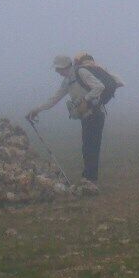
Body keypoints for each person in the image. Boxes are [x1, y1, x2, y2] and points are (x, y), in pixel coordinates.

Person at [26, 52, 123, 188]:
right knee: (87, 146)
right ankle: (88, 178)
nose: (57, 72)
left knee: (91, 146)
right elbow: (55, 98)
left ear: (64, 67)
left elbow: (99, 87)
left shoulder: (81, 72)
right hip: (87, 115)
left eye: (58, 69)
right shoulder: (68, 81)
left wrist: (86, 100)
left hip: (95, 113)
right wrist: (37, 110)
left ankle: (89, 179)